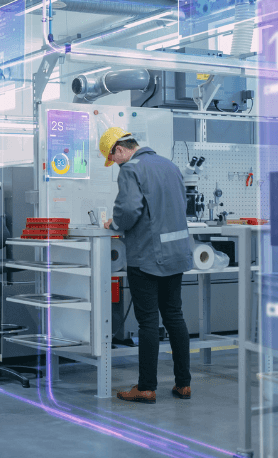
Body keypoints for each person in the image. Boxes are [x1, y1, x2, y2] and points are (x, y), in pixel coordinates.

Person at [99, 127, 194, 404]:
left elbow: (129, 210)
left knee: (148, 322)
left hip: (148, 256)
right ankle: (184, 384)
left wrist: (114, 224)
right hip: (176, 253)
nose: (115, 163)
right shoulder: (169, 165)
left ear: (119, 149)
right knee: (174, 316)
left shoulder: (130, 169)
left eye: (112, 158)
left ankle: (146, 387)